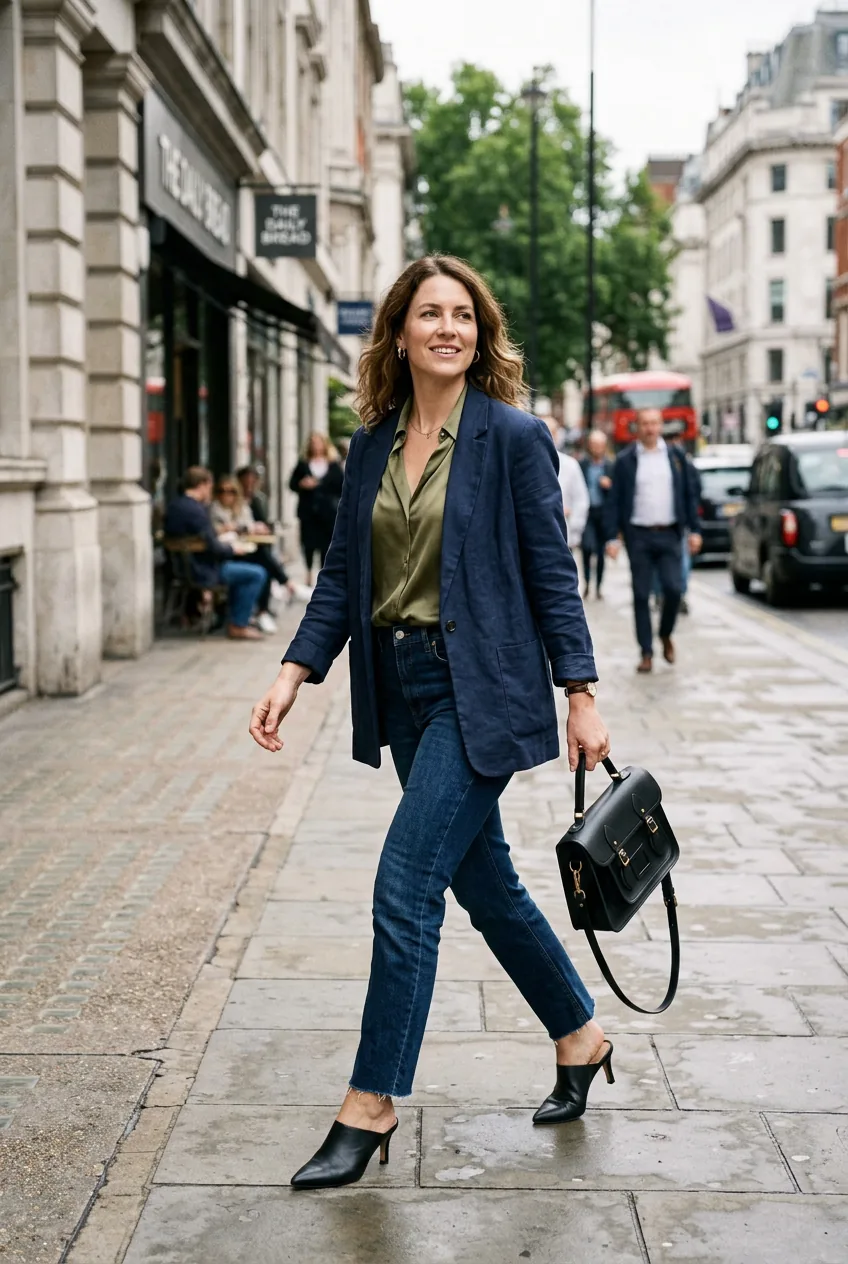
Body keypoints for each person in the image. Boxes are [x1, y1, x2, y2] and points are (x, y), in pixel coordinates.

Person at [249, 254, 612, 1192]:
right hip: (401, 688)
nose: (447, 328)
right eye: (429, 314)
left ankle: (370, 1105)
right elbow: (341, 576)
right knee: (484, 885)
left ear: (478, 333)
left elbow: (551, 575)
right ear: (400, 333)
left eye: (463, 315)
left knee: (405, 882)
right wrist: (296, 670)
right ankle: (579, 1035)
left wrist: (580, 690)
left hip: (477, 690)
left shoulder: (515, 437)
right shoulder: (371, 444)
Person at [605, 409, 702, 673]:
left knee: (673, 589)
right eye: (645, 424)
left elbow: (690, 494)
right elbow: (614, 501)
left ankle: (665, 633)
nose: (650, 428)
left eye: (654, 423)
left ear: (661, 426)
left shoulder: (676, 457)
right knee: (640, 594)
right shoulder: (626, 460)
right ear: (638, 428)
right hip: (639, 536)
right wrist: (612, 537)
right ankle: (646, 651)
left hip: (670, 533)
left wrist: (695, 530)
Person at [164, 466, 266, 641]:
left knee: (244, 570)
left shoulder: (174, 506)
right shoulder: (197, 511)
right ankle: (238, 624)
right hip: (203, 570)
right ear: (203, 485)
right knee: (256, 574)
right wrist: (233, 549)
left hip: (181, 569)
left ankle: (229, 618)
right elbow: (213, 547)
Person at [212, 476, 305, 633]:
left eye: (232, 492)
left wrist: (241, 528)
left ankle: (262, 610)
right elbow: (217, 533)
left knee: (263, 563)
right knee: (260, 569)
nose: (227, 495)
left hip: (242, 549)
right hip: (224, 555)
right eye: (223, 491)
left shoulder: (242, 507)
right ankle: (285, 588)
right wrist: (239, 529)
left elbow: (248, 527)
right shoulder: (214, 510)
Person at [289, 435, 345, 585]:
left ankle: (322, 573)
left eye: (318, 442)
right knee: (308, 543)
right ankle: (307, 572)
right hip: (308, 511)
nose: (315, 446)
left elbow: (342, 486)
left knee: (325, 544)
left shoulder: (333, 465)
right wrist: (302, 484)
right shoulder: (303, 464)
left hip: (327, 512)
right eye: (312, 443)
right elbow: (292, 484)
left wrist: (322, 487)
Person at [579, 429, 615, 600]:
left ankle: (598, 587)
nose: (597, 448)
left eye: (600, 445)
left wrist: (610, 486)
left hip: (604, 513)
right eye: (594, 444)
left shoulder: (610, 466)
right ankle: (586, 583)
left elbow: (617, 494)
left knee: (601, 552)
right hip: (587, 512)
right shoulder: (582, 464)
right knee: (587, 548)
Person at [545, 419, 590, 551]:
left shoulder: (570, 465)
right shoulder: (525, 464)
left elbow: (581, 500)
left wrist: (575, 530)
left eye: (551, 433)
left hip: (565, 537)